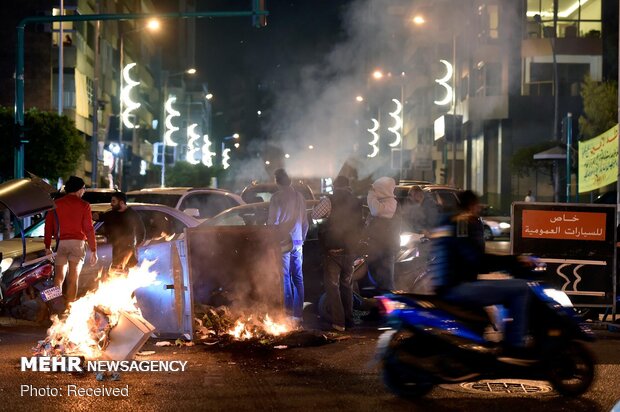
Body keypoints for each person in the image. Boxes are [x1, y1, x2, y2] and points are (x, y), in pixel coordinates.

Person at [429, 190, 536, 356]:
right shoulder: (462, 223)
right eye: (478, 206)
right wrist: (514, 261)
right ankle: (515, 346)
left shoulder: (446, 221)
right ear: (473, 206)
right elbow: (476, 260)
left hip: (445, 284)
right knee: (520, 288)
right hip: (457, 286)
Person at [312, 175, 364, 331]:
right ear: (348, 186)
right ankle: (349, 320)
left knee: (333, 287)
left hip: (333, 250)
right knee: (347, 286)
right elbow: (361, 223)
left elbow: (314, 215)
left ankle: (339, 323)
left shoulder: (329, 200)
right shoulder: (356, 201)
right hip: (350, 250)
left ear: (335, 186)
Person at [44, 176, 98, 303]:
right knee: (73, 278)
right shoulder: (84, 205)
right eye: (84, 188)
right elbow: (89, 229)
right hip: (77, 244)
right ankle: (69, 308)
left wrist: (47, 247)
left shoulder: (55, 204)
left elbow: (48, 227)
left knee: (58, 277)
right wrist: (93, 249)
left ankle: (55, 306)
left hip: (60, 244)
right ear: (79, 189)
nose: (84, 191)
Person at [267, 168, 309, 324]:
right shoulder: (300, 197)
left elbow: (273, 221)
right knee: (298, 277)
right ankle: (299, 316)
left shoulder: (277, 198)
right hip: (298, 242)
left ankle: (289, 314)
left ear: (277, 181)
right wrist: (302, 239)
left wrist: (270, 237)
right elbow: (305, 222)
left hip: (283, 242)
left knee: (285, 277)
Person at [93, 192, 145, 270]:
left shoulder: (132, 215)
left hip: (127, 251)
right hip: (113, 250)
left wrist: (136, 245)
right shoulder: (111, 214)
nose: (111, 204)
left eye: (114, 201)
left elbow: (141, 231)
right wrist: (94, 215)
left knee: (124, 274)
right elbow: (99, 217)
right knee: (114, 274)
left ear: (121, 203)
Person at [365, 176, 400, 292]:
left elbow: (375, 210)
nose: (374, 191)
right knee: (378, 279)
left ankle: (390, 305)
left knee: (386, 281)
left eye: (377, 189)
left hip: (386, 247)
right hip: (377, 246)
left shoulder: (391, 203)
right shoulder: (383, 202)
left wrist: (371, 194)